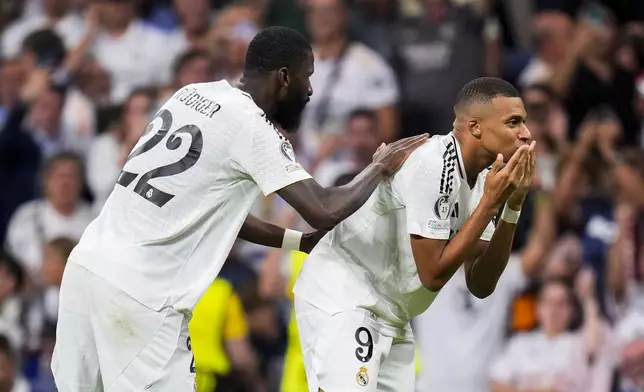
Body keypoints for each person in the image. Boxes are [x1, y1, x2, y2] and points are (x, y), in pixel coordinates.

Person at [51, 26, 427, 392]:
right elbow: (324, 208)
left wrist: (297, 242)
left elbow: (206, 211)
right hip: (143, 293)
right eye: (307, 76)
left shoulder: (191, 95)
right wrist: (379, 166)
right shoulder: (251, 125)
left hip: (87, 267)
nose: (310, 89)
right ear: (284, 76)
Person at [293, 77, 534, 392]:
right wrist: (490, 204)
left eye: (524, 123)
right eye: (513, 122)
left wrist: (511, 207)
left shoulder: (485, 179)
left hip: (392, 314)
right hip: (346, 295)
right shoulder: (433, 165)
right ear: (475, 126)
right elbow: (432, 274)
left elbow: (481, 283)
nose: (526, 133)